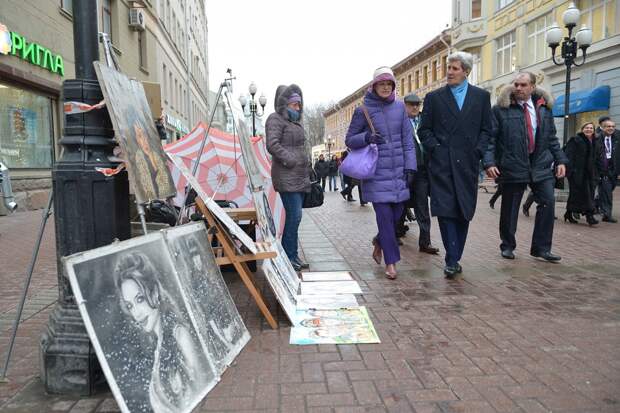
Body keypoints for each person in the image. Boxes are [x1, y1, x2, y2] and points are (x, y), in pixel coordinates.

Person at [418, 51, 492, 278]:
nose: (449, 72)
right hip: (442, 164)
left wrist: (478, 151)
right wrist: (437, 149)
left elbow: (487, 130)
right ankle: (451, 259)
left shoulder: (481, 97)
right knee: (446, 210)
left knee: (463, 211)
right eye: (448, 68)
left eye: (455, 68)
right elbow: (424, 130)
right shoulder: (434, 98)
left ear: (466, 71)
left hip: (468, 163)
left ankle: (455, 255)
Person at [484, 72, 568, 262]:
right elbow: (491, 140)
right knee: (510, 207)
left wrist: (561, 160)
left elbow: (552, 138)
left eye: (523, 85)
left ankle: (542, 248)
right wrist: (489, 163)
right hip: (513, 164)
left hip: (541, 164)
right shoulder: (500, 109)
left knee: (547, 202)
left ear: (532, 86)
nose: (519, 88)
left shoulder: (544, 108)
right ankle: (507, 246)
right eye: (516, 85)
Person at [114, 252, 210, 413]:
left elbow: (200, 389)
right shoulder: (157, 344)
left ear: (155, 292)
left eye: (140, 299)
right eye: (130, 305)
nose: (136, 313)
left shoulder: (180, 335)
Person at [345, 66, 416, 279]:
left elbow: (408, 141)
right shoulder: (363, 110)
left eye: (389, 84)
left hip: (399, 174)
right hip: (376, 174)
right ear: (374, 86)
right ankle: (391, 262)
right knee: (385, 218)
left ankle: (379, 241)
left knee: (396, 217)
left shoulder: (400, 108)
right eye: (381, 84)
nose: (385, 88)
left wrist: (411, 166)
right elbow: (349, 140)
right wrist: (367, 138)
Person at [266, 84, 311, 271]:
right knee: (295, 215)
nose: (297, 108)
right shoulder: (275, 119)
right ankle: (288, 256)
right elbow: (272, 144)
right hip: (286, 175)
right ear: (285, 104)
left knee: (296, 218)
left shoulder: (295, 122)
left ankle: (292, 255)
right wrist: (290, 159)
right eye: (294, 105)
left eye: (299, 105)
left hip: (299, 177)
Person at [402, 93, 439, 254]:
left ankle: (425, 242)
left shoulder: (425, 122)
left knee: (422, 206)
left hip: (422, 170)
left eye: (417, 104)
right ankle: (396, 233)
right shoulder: (400, 122)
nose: (415, 107)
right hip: (405, 170)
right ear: (405, 106)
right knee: (400, 204)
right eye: (411, 104)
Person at [564, 122, 599, 225]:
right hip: (577, 173)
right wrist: (571, 171)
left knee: (587, 195)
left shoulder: (595, 141)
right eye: (586, 128)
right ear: (582, 129)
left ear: (593, 130)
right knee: (578, 195)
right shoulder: (575, 140)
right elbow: (568, 156)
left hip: (589, 173)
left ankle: (568, 213)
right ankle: (590, 216)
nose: (589, 130)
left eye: (591, 128)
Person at [595, 118, 619, 223]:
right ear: (603, 127)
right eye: (608, 126)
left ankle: (596, 204)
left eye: (613, 127)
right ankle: (607, 214)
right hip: (602, 168)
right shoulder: (597, 138)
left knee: (609, 188)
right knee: (607, 191)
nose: (611, 128)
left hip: (613, 169)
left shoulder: (617, 138)